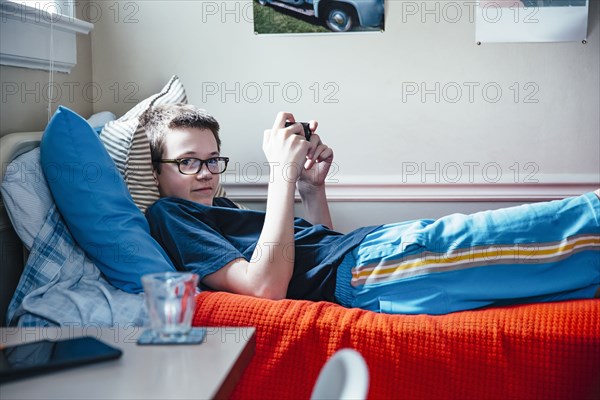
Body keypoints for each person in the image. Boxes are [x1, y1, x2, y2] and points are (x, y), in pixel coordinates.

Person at [141, 104, 600, 315]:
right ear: (156, 171)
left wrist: (309, 188)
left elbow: (316, 254)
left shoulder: (219, 208)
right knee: (574, 226)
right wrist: (280, 172)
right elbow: (265, 289)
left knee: (566, 258)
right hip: (379, 264)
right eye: (187, 162)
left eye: (212, 160)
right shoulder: (170, 217)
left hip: (369, 258)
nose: (204, 172)